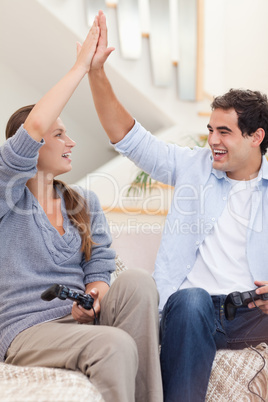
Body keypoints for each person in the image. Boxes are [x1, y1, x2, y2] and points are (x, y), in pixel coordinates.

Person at [88, 10, 268, 402]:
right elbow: (128, 137)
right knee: (191, 299)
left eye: (224, 132)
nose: (212, 141)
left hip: (254, 313)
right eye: (210, 130)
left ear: (256, 136)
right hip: (192, 310)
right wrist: (96, 73)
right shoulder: (193, 167)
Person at [0, 16, 163, 402]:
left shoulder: (83, 202)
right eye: (59, 134)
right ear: (34, 146)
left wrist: (94, 296)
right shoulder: (7, 194)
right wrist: (81, 68)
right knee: (115, 345)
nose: (71, 142)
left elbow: (100, 263)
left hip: (77, 320)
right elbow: (36, 123)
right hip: (27, 330)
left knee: (139, 282)